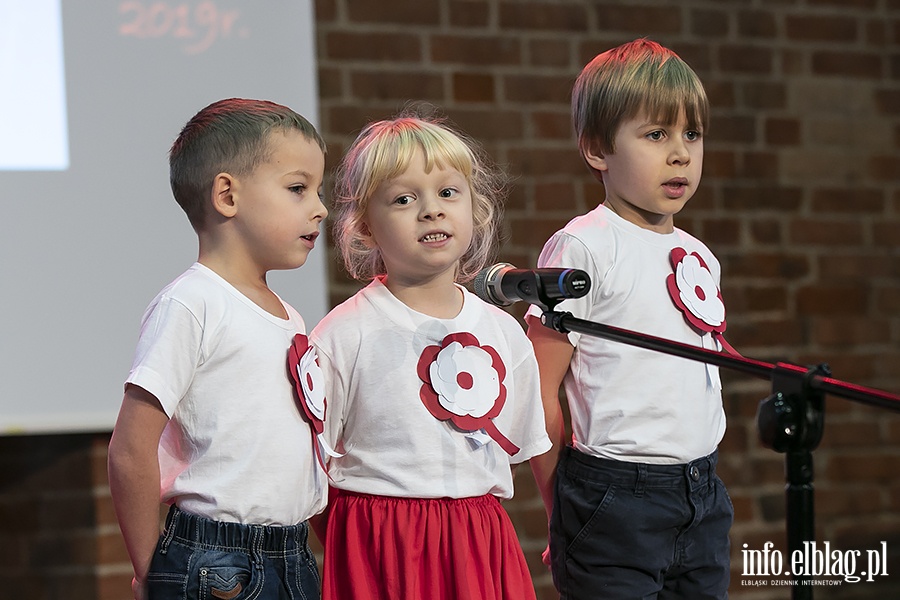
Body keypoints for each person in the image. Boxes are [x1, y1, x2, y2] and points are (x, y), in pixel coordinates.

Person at [310, 112, 551, 600]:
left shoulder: (504, 332)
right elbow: (312, 467)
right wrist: (362, 541)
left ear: (474, 208)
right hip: (379, 541)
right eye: (403, 199)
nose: (431, 211)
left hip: (478, 540)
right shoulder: (344, 333)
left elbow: (531, 447)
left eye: (447, 192)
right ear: (366, 228)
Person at [526, 38, 734, 599]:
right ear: (597, 148)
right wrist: (559, 510)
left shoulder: (699, 255)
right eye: (656, 135)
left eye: (691, 135)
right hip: (615, 496)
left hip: (701, 489)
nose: (681, 154)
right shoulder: (584, 246)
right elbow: (540, 392)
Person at [107, 98, 329, 600]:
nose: (320, 207)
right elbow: (131, 447)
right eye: (298, 188)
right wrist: (151, 571)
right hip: (217, 561)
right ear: (227, 195)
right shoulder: (191, 303)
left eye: (318, 190)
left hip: (292, 554)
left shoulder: (288, 314)